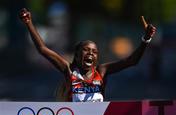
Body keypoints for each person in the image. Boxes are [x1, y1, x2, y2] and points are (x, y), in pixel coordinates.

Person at [19, 8, 156, 102]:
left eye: (94, 51)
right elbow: (43, 49)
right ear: (77, 55)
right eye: (86, 50)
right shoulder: (69, 70)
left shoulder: (102, 71)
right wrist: (29, 23)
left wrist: (146, 39)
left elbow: (132, 61)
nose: (91, 53)